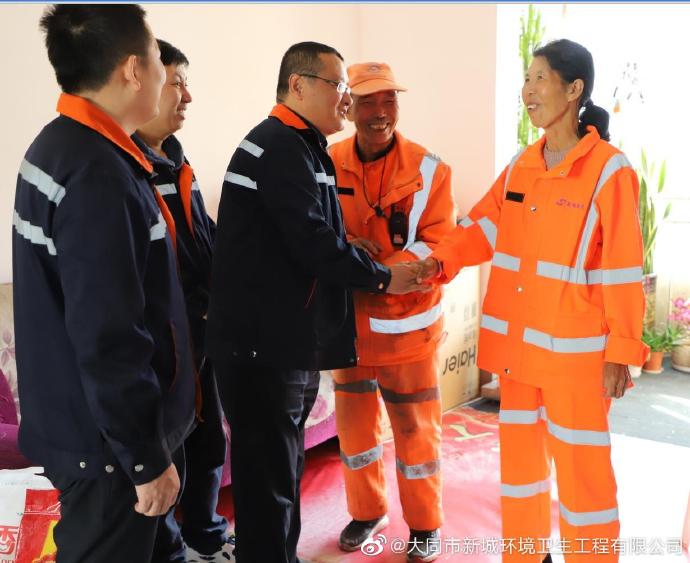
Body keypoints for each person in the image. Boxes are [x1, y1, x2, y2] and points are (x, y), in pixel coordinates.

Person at [416, 39, 648, 562]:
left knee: (583, 478)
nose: (528, 90)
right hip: (520, 357)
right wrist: (438, 262)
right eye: (526, 78)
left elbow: (623, 270)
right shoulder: (523, 165)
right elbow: (482, 226)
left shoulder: (610, 171)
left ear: (574, 89)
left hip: (574, 361)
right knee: (520, 476)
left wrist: (621, 351)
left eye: (540, 78)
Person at [206, 42, 424, 563]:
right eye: (339, 86)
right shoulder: (280, 147)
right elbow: (311, 243)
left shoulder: (301, 145)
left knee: (281, 477)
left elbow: (299, 235)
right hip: (262, 349)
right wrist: (383, 278)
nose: (347, 100)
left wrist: (347, 246)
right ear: (298, 85)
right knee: (269, 487)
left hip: (283, 343)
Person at [12, 5, 196, 563]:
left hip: (96, 432)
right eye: (159, 61)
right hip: (111, 451)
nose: (166, 77)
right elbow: (108, 335)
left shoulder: (62, 145)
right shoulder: (97, 174)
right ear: (133, 70)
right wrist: (144, 459)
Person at [329, 62, 455, 562]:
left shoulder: (430, 169)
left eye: (389, 100)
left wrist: (376, 268)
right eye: (368, 102)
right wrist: (344, 248)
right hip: (348, 330)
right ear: (349, 107)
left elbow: (440, 242)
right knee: (355, 432)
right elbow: (314, 230)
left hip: (408, 331)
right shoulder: (326, 161)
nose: (379, 112)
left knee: (416, 432)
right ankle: (366, 512)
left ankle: (425, 525)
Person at [133, 39, 233, 563]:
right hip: (162, 345)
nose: (187, 96)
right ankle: (172, 549)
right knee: (169, 451)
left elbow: (201, 238)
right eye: (176, 83)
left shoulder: (175, 160)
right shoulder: (124, 170)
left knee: (208, 441)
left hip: (202, 335)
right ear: (143, 84)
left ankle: (207, 538)